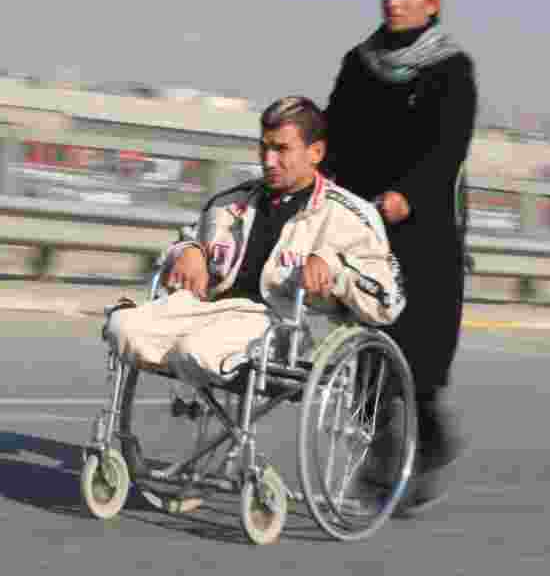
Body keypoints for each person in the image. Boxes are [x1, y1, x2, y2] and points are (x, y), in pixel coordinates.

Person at [105, 96, 406, 475]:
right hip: (206, 311)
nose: (268, 160)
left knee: (195, 350)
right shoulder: (230, 204)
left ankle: (213, 431)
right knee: (122, 326)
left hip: (278, 327)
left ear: (315, 152)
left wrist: (335, 268)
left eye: (282, 150)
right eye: (264, 147)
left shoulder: (350, 216)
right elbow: (186, 239)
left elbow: (389, 299)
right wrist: (190, 250)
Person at [323, 0, 478, 515]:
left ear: (432, 3)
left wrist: (406, 194)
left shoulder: (451, 69)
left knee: (416, 359)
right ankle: (383, 461)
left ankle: (421, 448)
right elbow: (332, 132)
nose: (394, 1)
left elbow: (448, 147)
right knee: (365, 345)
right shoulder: (359, 62)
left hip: (423, 231)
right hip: (362, 223)